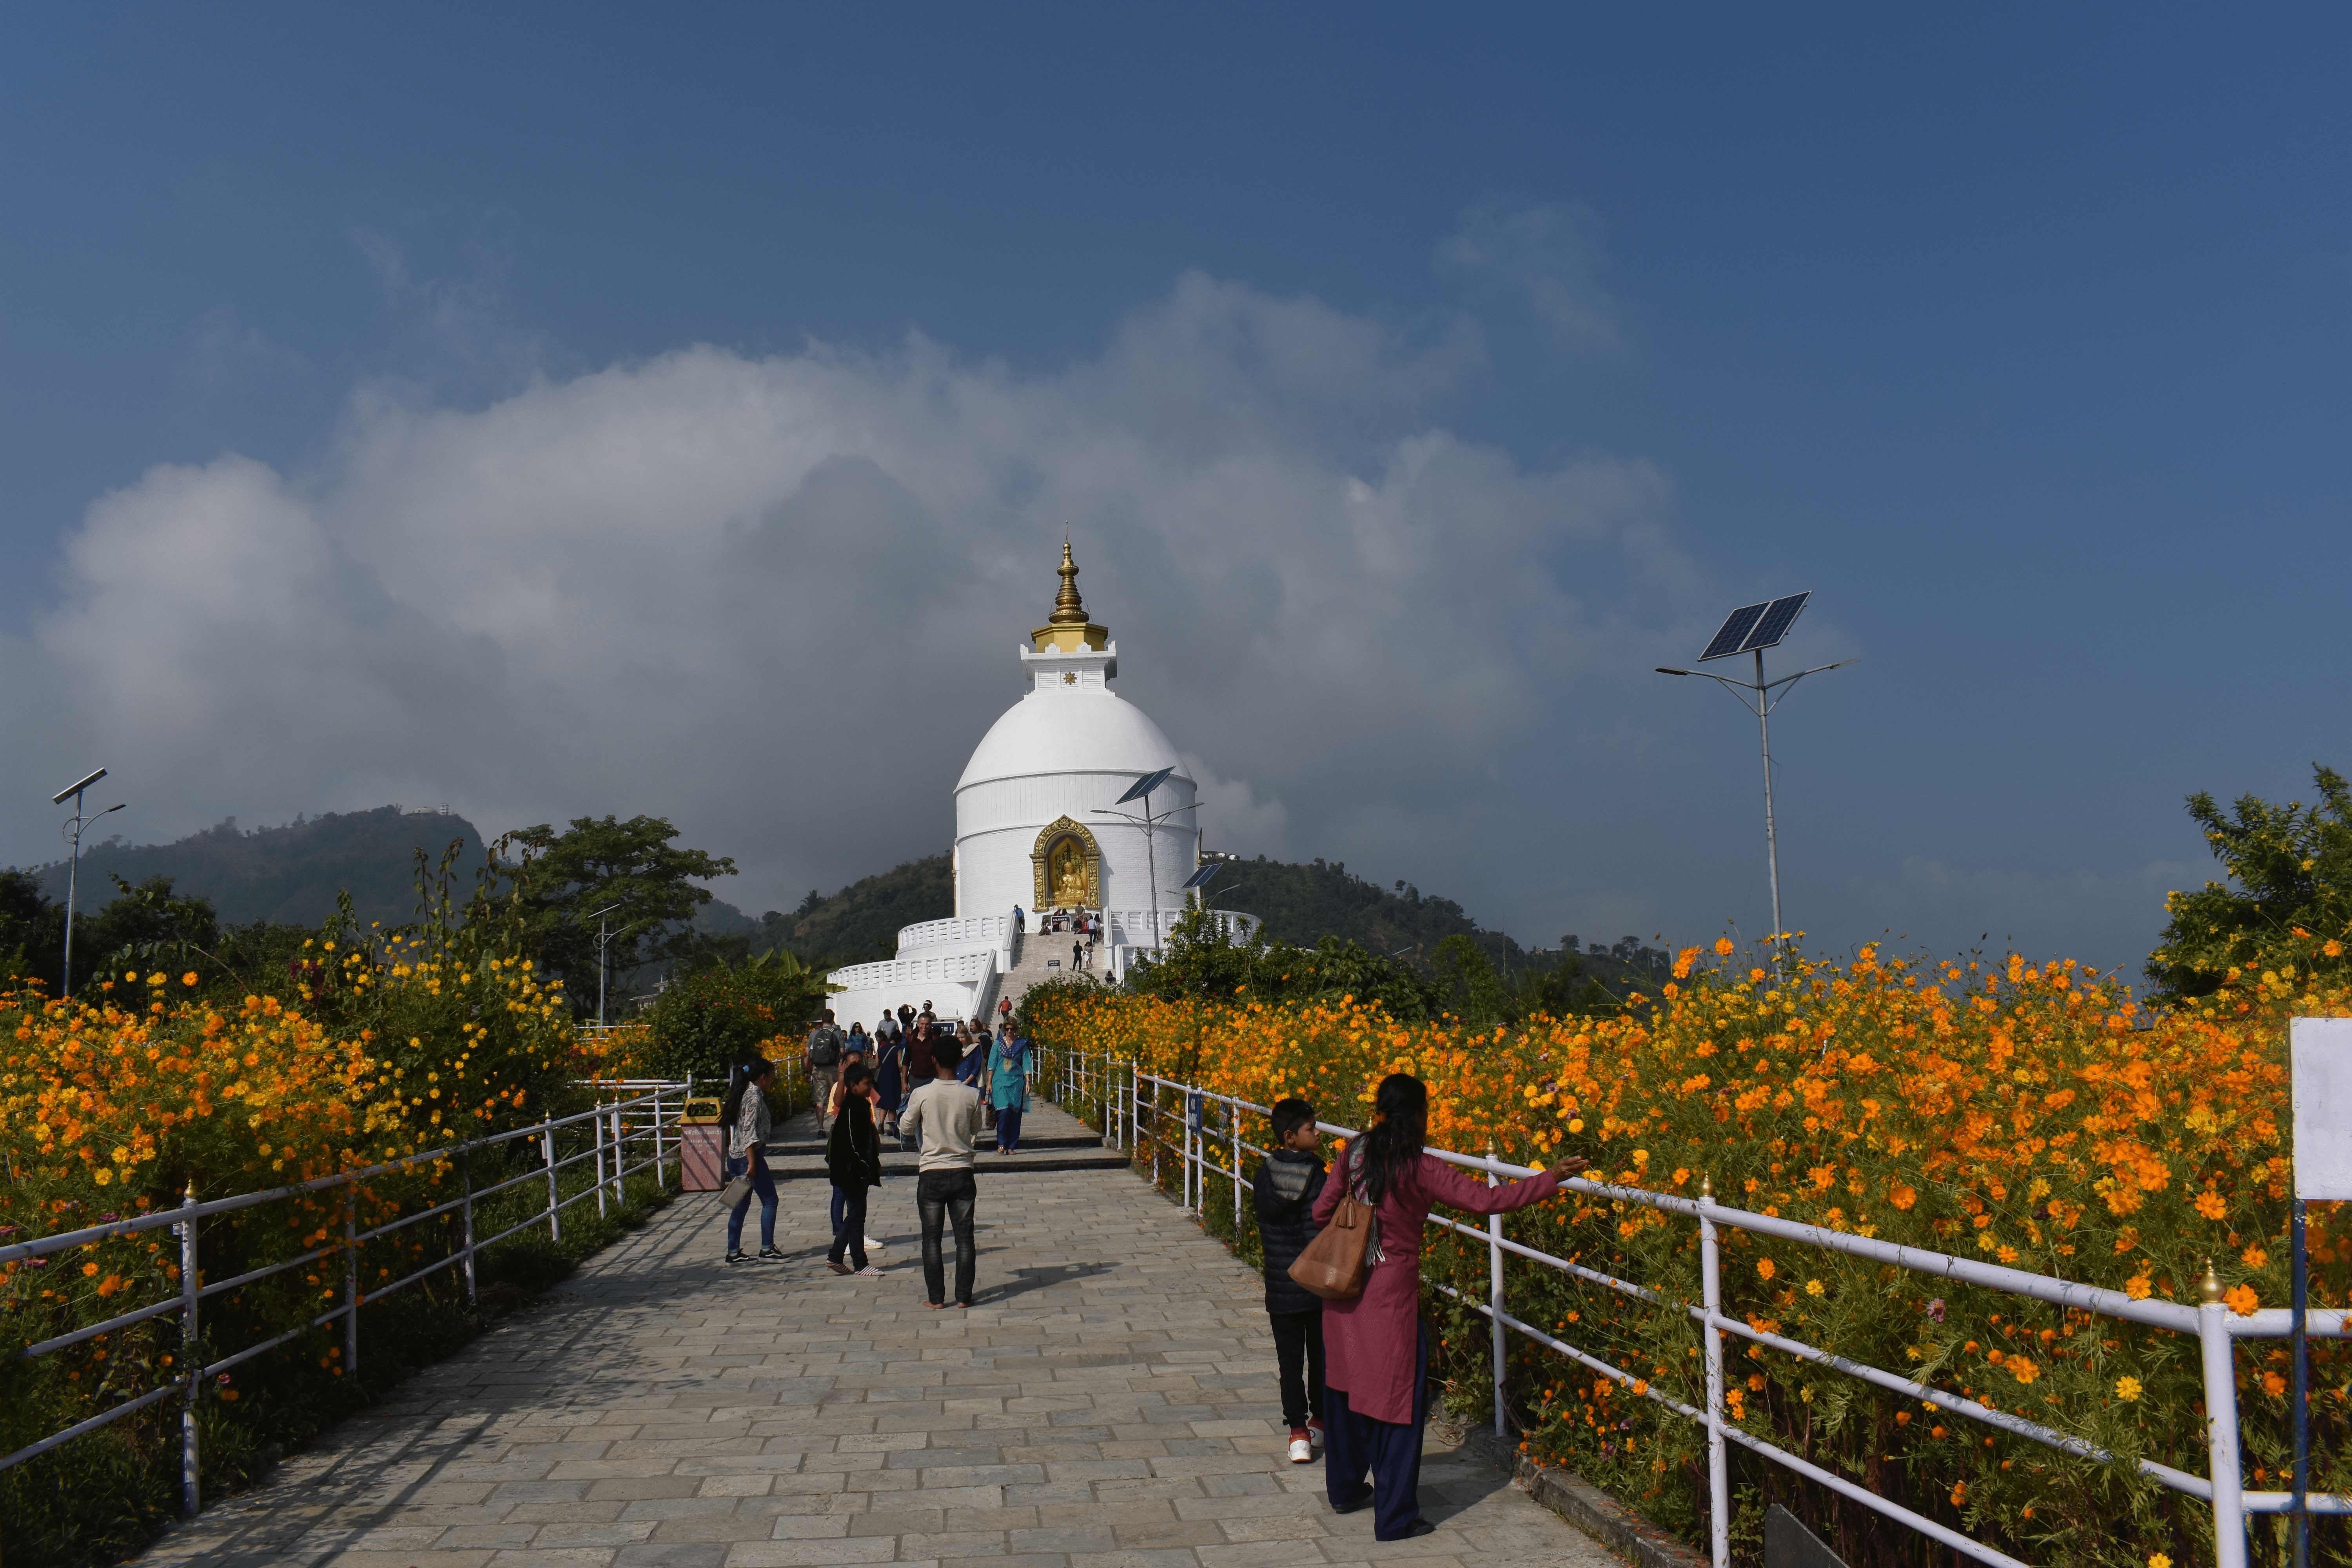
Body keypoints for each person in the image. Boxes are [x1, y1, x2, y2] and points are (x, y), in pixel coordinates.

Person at [1310, 1073, 1588, 1541]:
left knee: (1345, 1392)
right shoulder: (1420, 1166)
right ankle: (1395, 1518)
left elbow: (1321, 1212)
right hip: (1390, 1299)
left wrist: (1358, 1218)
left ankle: (1344, 1489)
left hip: (1343, 1295)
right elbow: (1488, 1200)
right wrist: (1551, 1178)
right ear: (1417, 1114)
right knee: (1398, 1405)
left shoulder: (1354, 1151)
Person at [1256, 1098, 1330, 1464]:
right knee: (1320, 1357)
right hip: (1313, 1286)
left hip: (1279, 1286)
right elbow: (1318, 1230)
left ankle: (1297, 1432)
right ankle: (1319, 1421)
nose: (1317, 1134)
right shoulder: (1317, 1174)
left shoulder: (1263, 1173)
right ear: (1290, 1137)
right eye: (1311, 1129)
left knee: (1289, 1362)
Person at [898, 1034, 982, 1308]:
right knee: (965, 1239)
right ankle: (963, 1298)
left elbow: (905, 1128)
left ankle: (936, 1299)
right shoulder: (971, 1094)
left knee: (932, 1240)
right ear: (960, 1059)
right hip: (962, 1170)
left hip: (932, 1171)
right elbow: (975, 1128)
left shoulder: (921, 1094)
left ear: (933, 1060)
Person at [720, 1056, 783, 1265]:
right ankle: (767, 1248)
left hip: (734, 1156)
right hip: (748, 1157)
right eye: (772, 1077)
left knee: (739, 1205)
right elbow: (749, 1133)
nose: (773, 1080)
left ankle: (733, 1251)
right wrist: (752, 1163)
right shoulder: (754, 1097)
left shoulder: (744, 1092)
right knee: (770, 1200)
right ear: (763, 1077)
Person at [825, 1062, 885, 1276]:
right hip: (851, 1170)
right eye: (866, 1084)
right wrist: (861, 1165)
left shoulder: (860, 1103)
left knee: (856, 1214)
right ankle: (857, 1263)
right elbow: (852, 1141)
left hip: (857, 1168)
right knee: (857, 1215)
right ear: (853, 1085)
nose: (870, 1088)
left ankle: (838, 1257)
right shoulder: (853, 1106)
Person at [989, 1020, 1031, 1154]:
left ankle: (1012, 1145)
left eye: (1012, 1029)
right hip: (1000, 1082)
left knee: (1015, 1114)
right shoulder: (998, 1044)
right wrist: (989, 1083)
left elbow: (1026, 1063)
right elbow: (992, 1063)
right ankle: (1001, 1143)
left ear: (1016, 1029)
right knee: (1003, 1112)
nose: (1009, 1032)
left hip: (1016, 1083)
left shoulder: (1021, 1045)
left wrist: (1028, 1081)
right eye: (1007, 1029)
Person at [807, 1009, 846, 1129]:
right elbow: (842, 1052)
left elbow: (807, 1053)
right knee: (837, 1097)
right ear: (833, 1019)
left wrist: (806, 1071)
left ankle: (820, 1129)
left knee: (820, 1101)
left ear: (822, 1019)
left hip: (818, 1069)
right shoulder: (837, 1033)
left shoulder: (814, 1033)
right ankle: (836, 1124)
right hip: (834, 1069)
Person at [874, 1022, 906, 1138]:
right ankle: (891, 1129)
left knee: (884, 1104)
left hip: (882, 1078)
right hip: (894, 1078)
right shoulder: (898, 1050)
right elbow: (900, 1065)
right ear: (898, 1041)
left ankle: (881, 1124)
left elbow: (877, 1064)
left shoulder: (881, 1049)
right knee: (893, 1104)